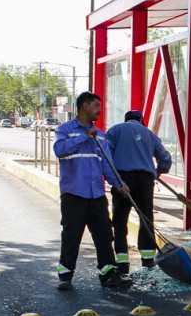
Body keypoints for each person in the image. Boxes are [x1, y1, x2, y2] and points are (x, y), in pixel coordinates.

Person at [52, 92, 133, 291]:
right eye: (96, 105)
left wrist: (119, 184)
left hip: (96, 194)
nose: (99, 109)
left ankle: (108, 275)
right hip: (73, 193)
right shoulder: (66, 130)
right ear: (85, 106)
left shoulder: (101, 135)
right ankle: (65, 275)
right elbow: (59, 150)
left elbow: (107, 164)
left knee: (104, 235)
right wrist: (83, 138)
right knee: (72, 235)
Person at [107, 110, 172, 274]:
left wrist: (112, 177)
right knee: (146, 219)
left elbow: (106, 155)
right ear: (141, 121)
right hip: (145, 181)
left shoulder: (115, 130)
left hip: (122, 180)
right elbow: (165, 158)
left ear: (126, 119)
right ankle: (148, 260)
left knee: (120, 221)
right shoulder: (149, 134)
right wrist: (158, 171)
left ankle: (122, 262)